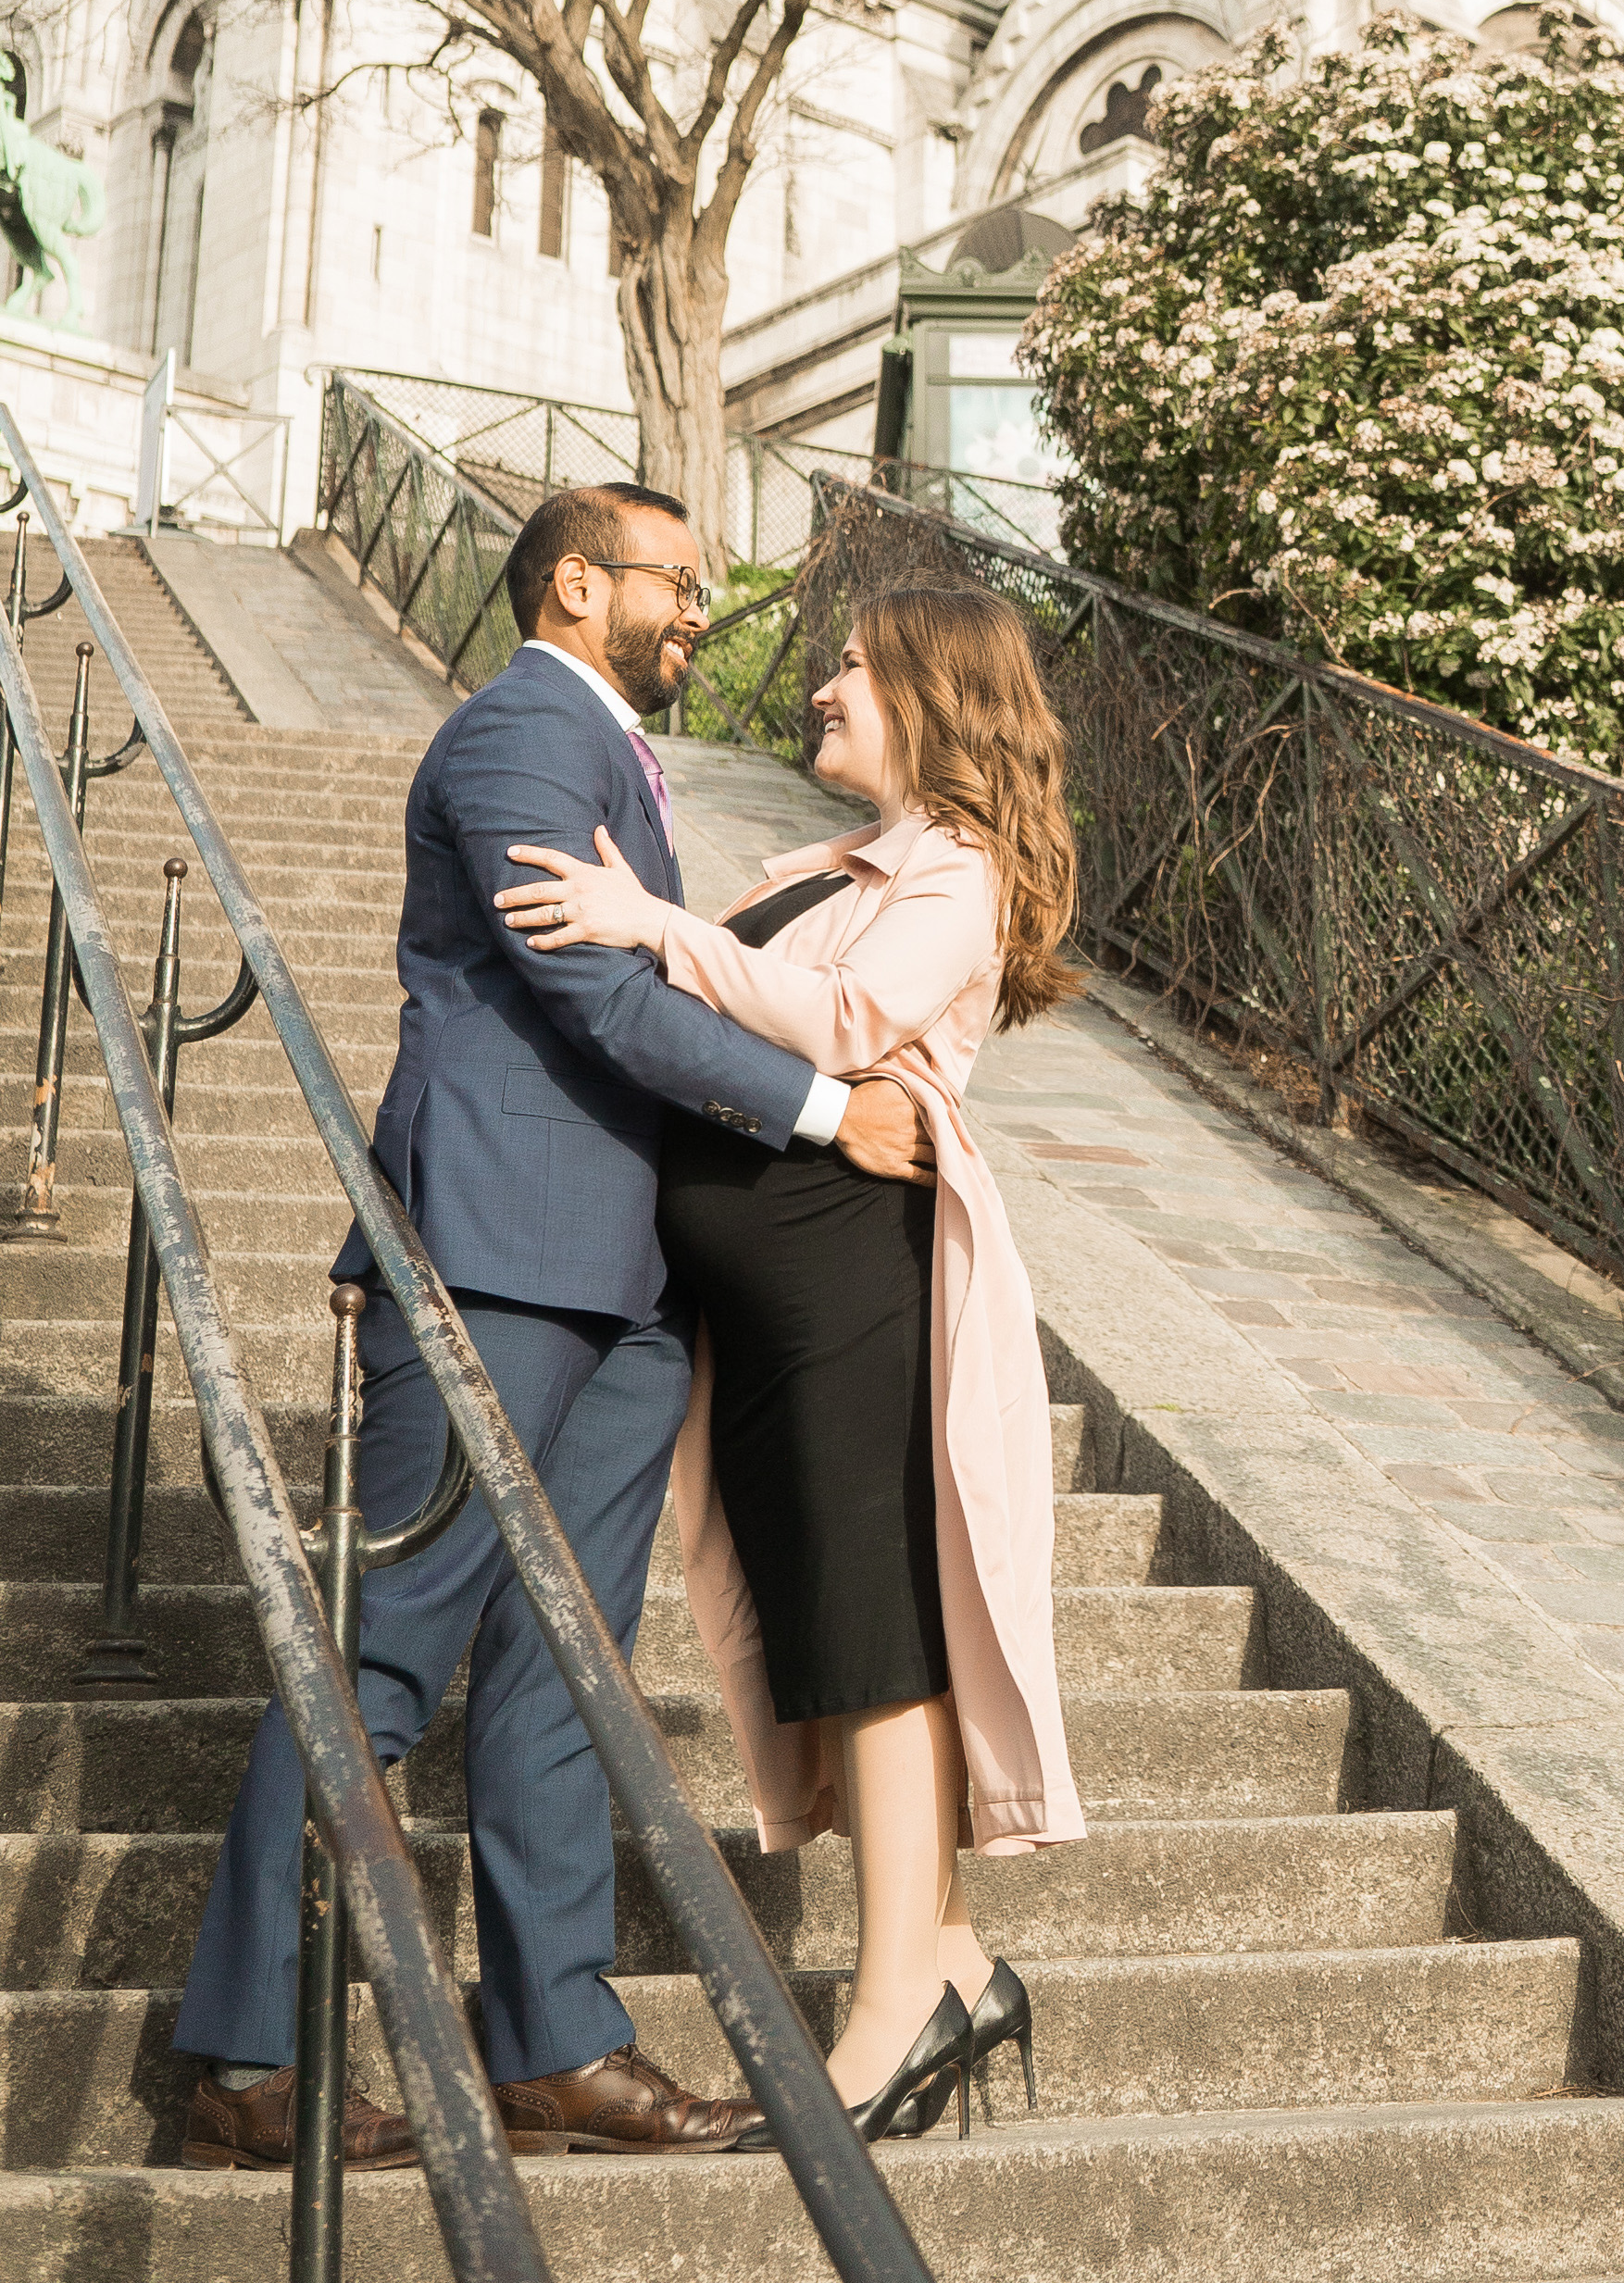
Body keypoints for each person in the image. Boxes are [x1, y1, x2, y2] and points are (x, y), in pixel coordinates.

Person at [176, 484, 926, 2171]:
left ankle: (558, 2046)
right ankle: (238, 2053)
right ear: (580, 586)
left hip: (621, 1286)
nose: (705, 613)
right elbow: (590, 988)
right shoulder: (520, 730)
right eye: (682, 583)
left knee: (562, 1671)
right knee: (385, 1652)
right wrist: (819, 1109)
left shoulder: (616, 760)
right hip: (499, 1256)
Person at [494, 578, 1086, 2147]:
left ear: (932, 696)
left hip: (848, 1282)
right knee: (837, 1629)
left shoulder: (956, 866)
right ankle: (953, 1964)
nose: (821, 687)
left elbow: (842, 1019)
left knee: (870, 1637)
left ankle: (890, 2013)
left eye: (848, 667)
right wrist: (658, 914)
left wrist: (653, 922)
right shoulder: (834, 861)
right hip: (769, 1304)